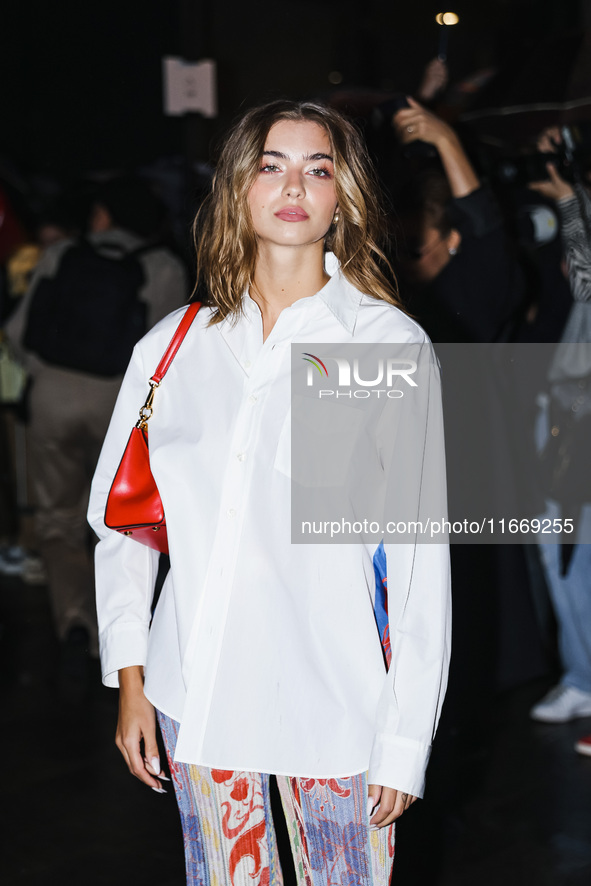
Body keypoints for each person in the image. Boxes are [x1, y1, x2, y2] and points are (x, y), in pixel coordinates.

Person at [88, 101, 451, 886]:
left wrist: (404, 740)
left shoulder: (382, 345)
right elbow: (121, 528)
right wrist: (131, 681)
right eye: (270, 165)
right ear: (236, 190)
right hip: (199, 694)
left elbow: (421, 561)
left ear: (341, 195)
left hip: (338, 706)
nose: (294, 185)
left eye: (317, 167)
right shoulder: (175, 345)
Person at [5, 176, 188, 691]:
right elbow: (170, 352)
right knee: (123, 523)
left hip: (54, 398)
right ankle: (128, 645)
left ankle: (76, 627)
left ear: (103, 216)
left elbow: (19, 333)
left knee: (59, 519)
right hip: (119, 403)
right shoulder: (164, 266)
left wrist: (46, 374)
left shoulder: (61, 254)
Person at [528, 128, 591, 747]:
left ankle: (583, 678)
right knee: (556, 542)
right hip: (566, 405)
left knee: (568, 543)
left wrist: (571, 197)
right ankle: (581, 675)